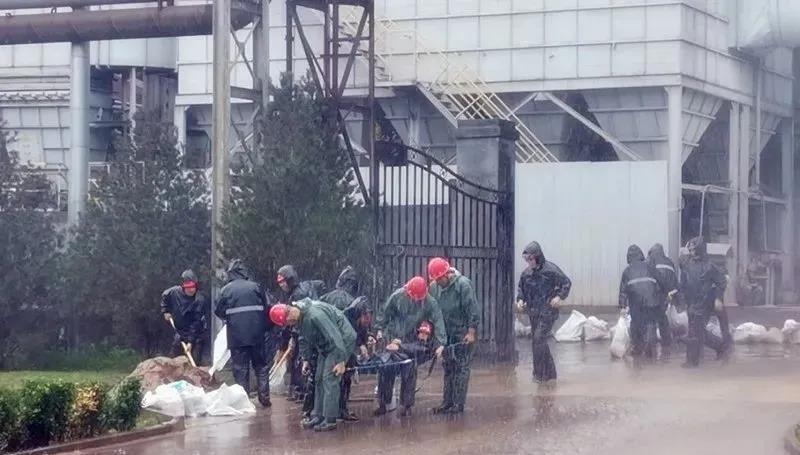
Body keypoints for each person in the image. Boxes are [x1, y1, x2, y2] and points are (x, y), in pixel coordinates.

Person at [269, 299, 356, 432]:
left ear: (289, 314)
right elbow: (303, 338)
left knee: (329, 377)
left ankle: (330, 418)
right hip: (325, 344)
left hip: (341, 341)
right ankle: (318, 415)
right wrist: (306, 359)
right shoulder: (300, 319)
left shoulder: (315, 315)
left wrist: (340, 361)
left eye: (287, 322)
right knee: (318, 378)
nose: (289, 325)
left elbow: (334, 336)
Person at [374, 276, 446, 416]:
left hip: (412, 340)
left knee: (409, 368)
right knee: (386, 367)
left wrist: (441, 343)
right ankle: (383, 403)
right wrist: (379, 330)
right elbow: (384, 313)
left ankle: (406, 405)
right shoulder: (397, 297)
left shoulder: (430, 302)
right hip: (393, 337)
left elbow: (438, 321)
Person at [214, 259, 273, 407]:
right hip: (257, 335)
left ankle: (244, 401)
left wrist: (232, 318)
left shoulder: (225, 290)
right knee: (261, 366)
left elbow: (218, 311)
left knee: (240, 369)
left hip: (236, 336)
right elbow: (267, 307)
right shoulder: (256, 287)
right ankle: (264, 398)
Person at [515, 242, 571, 384]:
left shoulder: (551, 270)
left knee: (539, 339)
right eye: (526, 259)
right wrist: (520, 300)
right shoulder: (526, 274)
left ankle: (540, 374)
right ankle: (548, 374)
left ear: (538, 257)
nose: (529, 262)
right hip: (534, 312)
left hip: (548, 312)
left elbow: (566, 283)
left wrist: (559, 297)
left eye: (531, 259)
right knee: (538, 342)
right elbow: (521, 290)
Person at [427, 258, 478, 414]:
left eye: (439, 279)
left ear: (447, 274)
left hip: (462, 332)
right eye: (435, 279)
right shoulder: (434, 287)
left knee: (461, 368)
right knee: (448, 367)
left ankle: (458, 403)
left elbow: (472, 310)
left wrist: (471, 332)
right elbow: (432, 310)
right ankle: (447, 402)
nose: (437, 282)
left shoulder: (463, 285)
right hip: (446, 332)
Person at [276, 265, 322, 404]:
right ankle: (301, 390)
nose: (281, 285)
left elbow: (295, 320)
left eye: (283, 281)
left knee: (301, 361)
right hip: (309, 331)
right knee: (302, 360)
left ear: (290, 280)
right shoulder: (302, 289)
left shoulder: (297, 295)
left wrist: (289, 340)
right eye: (279, 282)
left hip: (304, 333)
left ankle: (302, 391)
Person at [680, 236, 728, 368]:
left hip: (703, 302)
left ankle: (718, 347)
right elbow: (684, 282)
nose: (691, 252)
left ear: (699, 250)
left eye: (693, 249)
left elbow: (721, 282)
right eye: (690, 249)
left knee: (697, 332)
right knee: (693, 331)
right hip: (691, 302)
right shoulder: (687, 263)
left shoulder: (709, 266)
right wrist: (680, 297)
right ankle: (692, 360)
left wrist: (718, 298)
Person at [619, 245, 667, 359]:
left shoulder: (627, 271)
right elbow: (662, 282)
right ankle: (650, 349)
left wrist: (622, 306)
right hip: (652, 301)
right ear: (641, 255)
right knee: (651, 323)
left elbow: (623, 291)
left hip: (636, 302)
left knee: (636, 324)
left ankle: (637, 348)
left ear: (628, 257)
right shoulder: (650, 267)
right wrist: (664, 296)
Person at [161, 269, 207, 365]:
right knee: (173, 362)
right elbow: (164, 296)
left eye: (193, 287)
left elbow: (196, 323)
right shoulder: (174, 292)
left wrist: (190, 342)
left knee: (194, 362)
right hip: (179, 331)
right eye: (188, 287)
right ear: (183, 286)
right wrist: (165, 311)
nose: (191, 290)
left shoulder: (199, 300)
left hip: (196, 334)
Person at [339, 296, 372, 422]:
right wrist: (360, 345)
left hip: (350, 352)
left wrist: (364, 344)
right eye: (366, 318)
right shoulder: (346, 319)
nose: (367, 321)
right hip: (341, 350)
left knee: (347, 380)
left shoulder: (362, 321)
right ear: (360, 315)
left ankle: (343, 407)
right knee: (342, 380)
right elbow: (350, 336)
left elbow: (362, 333)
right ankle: (340, 409)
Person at [647, 243, 680, 351]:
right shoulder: (669, 262)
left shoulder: (651, 261)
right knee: (662, 317)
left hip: (654, 293)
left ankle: (651, 345)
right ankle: (666, 342)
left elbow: (648, 278)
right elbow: (674, 280)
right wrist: (673, 296)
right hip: (667, 295)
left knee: (651, 319)